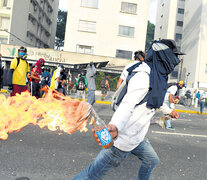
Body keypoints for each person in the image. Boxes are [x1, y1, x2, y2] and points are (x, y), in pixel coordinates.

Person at [72, 39, 183, 180]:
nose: (176, 60)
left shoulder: (158, 76)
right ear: (164, 56)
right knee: (90, 176)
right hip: (122, 140)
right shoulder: (143, 76)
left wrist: (169, 111)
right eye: (174, 56)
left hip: (137, 138)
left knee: (151, 160)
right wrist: (115, 126)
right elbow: (127, 104)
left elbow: (155, 99)